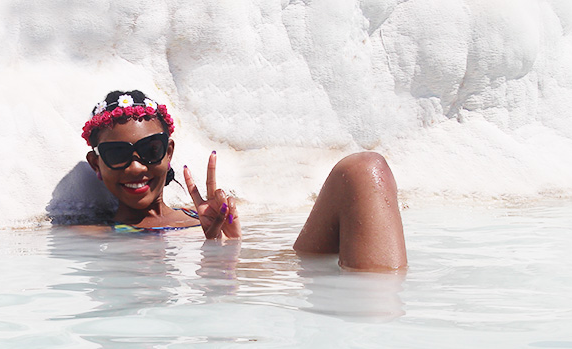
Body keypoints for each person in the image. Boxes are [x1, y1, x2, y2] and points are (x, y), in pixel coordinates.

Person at [82, 90, 407, 271]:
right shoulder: (93, 233)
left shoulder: (204, 216)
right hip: (214, 316)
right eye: (117, 155)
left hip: (259, 288)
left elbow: (263, 269)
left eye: (149, 150)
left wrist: (227, 244)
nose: (136, 167)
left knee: (364, 169)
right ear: (96, 163)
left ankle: (380, 328)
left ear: (168, 152)